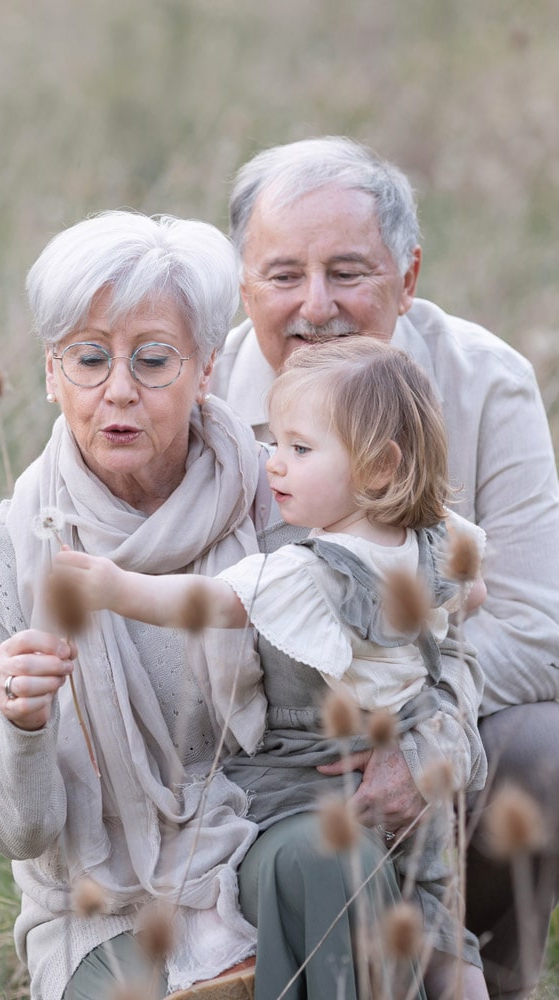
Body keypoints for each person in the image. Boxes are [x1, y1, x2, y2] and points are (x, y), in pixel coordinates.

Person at [0, 210, 426, 1000]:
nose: (118, 391)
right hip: (108, 907)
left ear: (207, 366)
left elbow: (426, 656)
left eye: (153, 359)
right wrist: (21, 726)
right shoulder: (2, 561)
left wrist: (417, 752)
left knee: (331, 859)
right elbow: (17, 830)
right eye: (89, 359)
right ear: (48, 373)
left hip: (271, 850)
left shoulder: (283, 504)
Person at [211, 135, 559, 998]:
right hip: (263, 750)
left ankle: (495, 977)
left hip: (440, 720)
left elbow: (535, 630)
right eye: (283, 274)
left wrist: (415, 731)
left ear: (406, 279)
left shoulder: (485, 384)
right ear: (243, 285)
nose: (314, 305)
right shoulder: (200, 392)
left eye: (348, 272)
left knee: (543, 749)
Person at [56, 337, 490, 1000]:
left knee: (233, 836)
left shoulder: (303, 571)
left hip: (305, 770)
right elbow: (472, 594)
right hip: (408, 753)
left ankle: (225, 942)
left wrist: (117, 587)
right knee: (433, 919)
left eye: (298, 449)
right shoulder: (438, 537)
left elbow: (206, 602)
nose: (273, 465)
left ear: (377, 469)